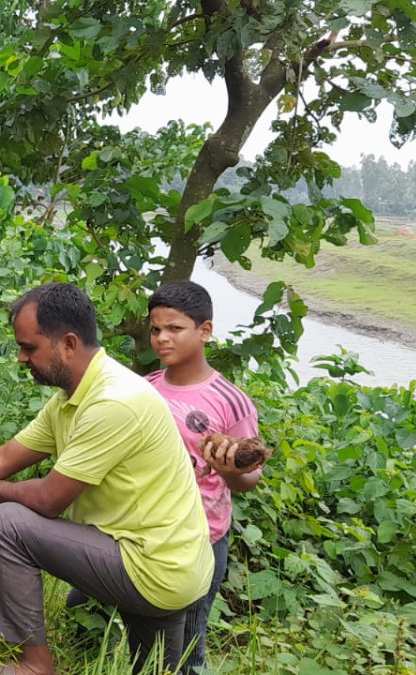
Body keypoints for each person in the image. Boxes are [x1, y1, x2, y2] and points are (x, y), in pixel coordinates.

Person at [0, 283, 213, 675]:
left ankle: (33, 668)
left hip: (153, 568)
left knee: (8, 523)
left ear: (68, 343)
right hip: (167, 563)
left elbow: (50, 498)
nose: (21, 358)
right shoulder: (76, 395)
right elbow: (3, 457)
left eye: (29, 347)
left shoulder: (114, 403)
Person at [144, 281, 268, 674]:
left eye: (175, 328)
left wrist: (233, 473)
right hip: (146, 527)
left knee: (188, 647)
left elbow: (252, 476)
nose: (162, 338)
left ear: (205, 331)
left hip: (203, 535)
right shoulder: (144, 389)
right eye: (155, 329)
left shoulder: (230, 399)